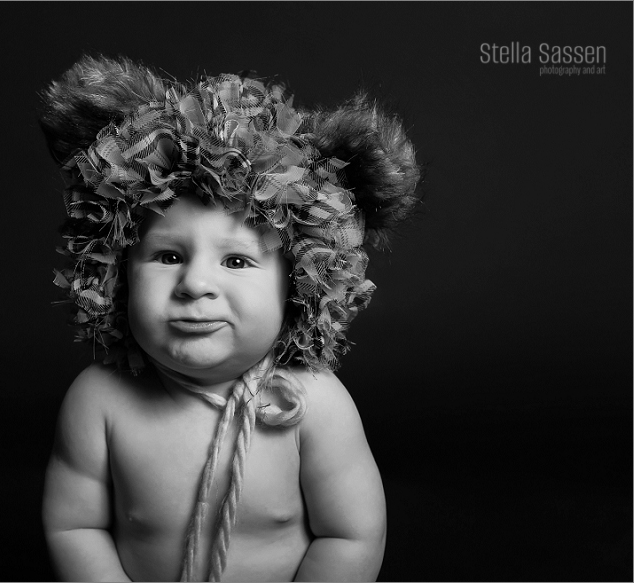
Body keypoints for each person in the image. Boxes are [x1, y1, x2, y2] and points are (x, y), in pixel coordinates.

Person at [38, 55, 421, 582]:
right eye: (168, 256)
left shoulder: (313, 404)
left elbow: (351, 534)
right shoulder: (99, 400)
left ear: (297, 286)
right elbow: (74, 527)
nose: (196, 284)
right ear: (116, 274)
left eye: (237, 261)